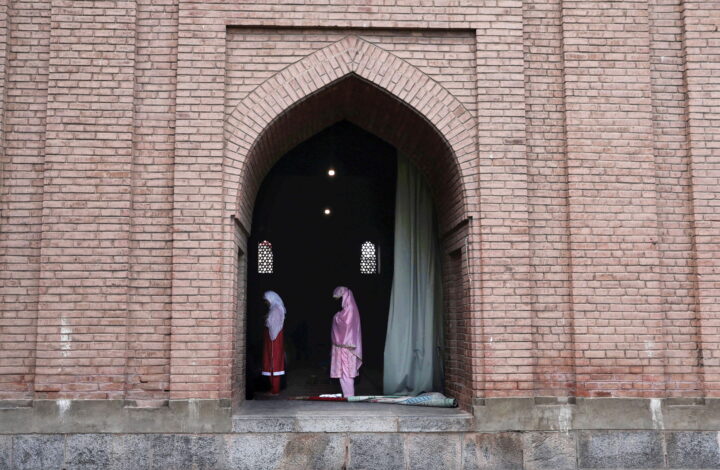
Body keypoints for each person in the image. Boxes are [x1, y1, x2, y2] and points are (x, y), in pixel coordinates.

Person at [330, 286, 362, 397]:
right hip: (344, 347)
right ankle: (347, 395)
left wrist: (336, 317)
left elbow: (345, 324)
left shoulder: (350, 310)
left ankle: (349, 396)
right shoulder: (349, 309)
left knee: (347, 373)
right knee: (343, 373)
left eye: (340, 298)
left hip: (347, 347)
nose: (338, 301)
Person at [262, 290, 286, 395]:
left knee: (274, 361)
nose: (265, 303)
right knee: (271, 362)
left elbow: (273, 325)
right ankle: (273, 388)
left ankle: (275, 389)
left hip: (274, 337)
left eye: (266, 300)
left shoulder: (276, 309)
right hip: (272, 337)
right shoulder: (274, 308)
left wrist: (266, 321)